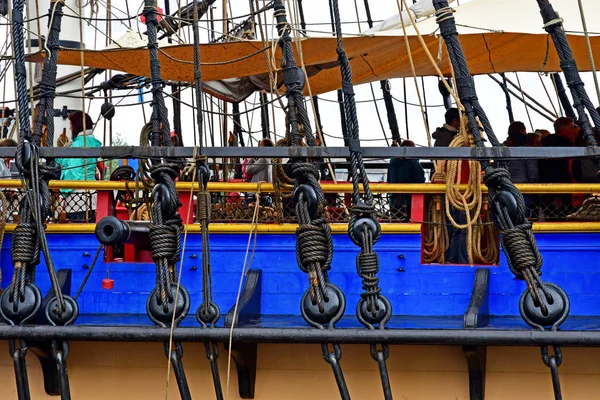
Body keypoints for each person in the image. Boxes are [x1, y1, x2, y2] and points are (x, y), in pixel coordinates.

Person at [56, 111, 102, 222]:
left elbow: (72, 173)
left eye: (71, 125)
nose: (70, 128)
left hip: (77, 200)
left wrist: (62, 194)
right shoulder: (91, 142)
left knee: (75, 232)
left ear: (77, 126)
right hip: (92, 197)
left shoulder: (77, 145)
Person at [538, 117, 579, 220]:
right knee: (565, 215)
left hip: (545, 187)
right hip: (563, 187)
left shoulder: (544, 143)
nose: (574, 130)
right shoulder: (567, 144)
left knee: (551, 215)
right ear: (563, 129)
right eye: (572, 127)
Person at [387, 140, 425, 221]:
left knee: (395, 222)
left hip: (393, 200)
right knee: (408, 221)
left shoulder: (392, 163)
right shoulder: (412, 162)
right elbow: (420, 179)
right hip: (408, 201)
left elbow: (388, 180)